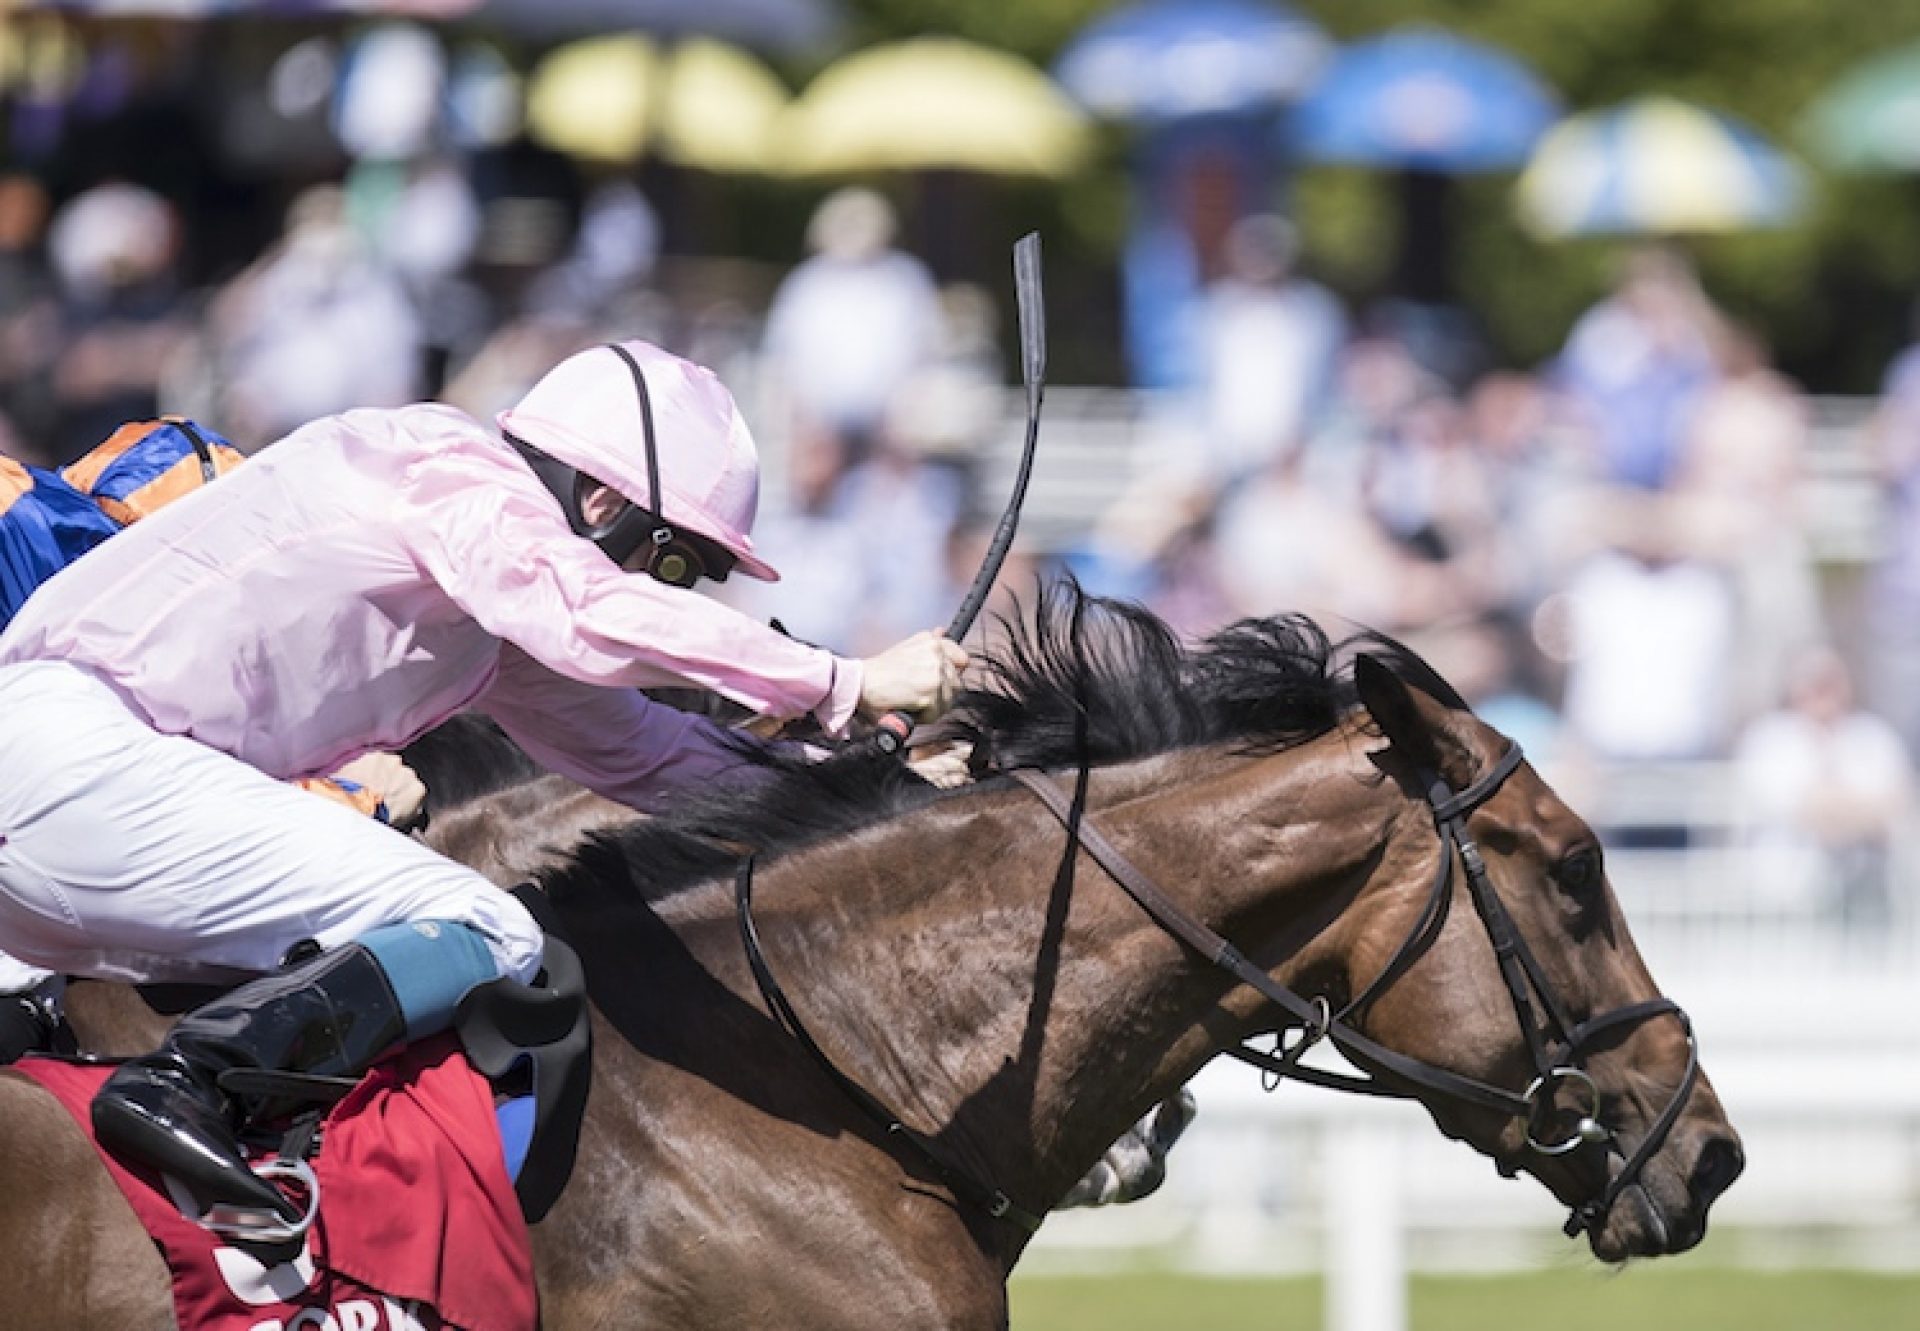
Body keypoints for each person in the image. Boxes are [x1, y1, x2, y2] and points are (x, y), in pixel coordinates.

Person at [0, 339, 966, 1227]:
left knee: (337, 962)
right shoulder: (446, 466)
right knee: (491, 929)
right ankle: (187, 1088)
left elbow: (654, 757)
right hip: (74, 758)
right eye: (677, 562)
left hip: (93, 807)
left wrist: (869, 790)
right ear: (599, 502)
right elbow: (582, 606)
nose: (673, 592)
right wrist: (845, 679)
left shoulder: (490, 616)